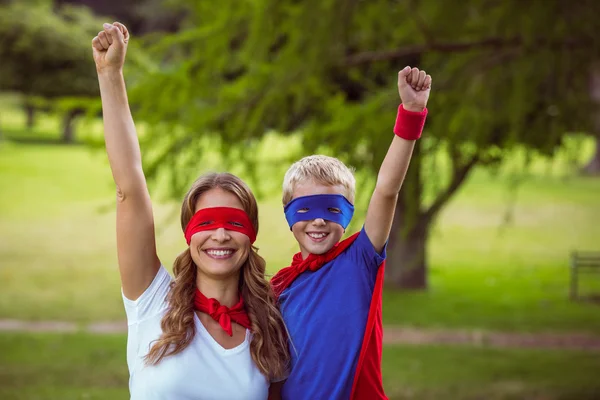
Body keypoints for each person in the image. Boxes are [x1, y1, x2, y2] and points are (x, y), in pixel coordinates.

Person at [92, 22, 289, 399]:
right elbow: (129, 189)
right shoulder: (152, 301)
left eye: (234, 222)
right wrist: (110, 74)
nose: (220, 234)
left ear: (251, 234)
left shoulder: (269, 329)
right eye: (206, 222)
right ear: (189, 234)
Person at [271, 66, 432, 399]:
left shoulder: (358, 260)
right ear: (288, 215)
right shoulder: (277, 288)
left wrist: (411, 114)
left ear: (348, 216)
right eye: (306, 210)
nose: (318, 221)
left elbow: (386, 190)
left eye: (331, 210)